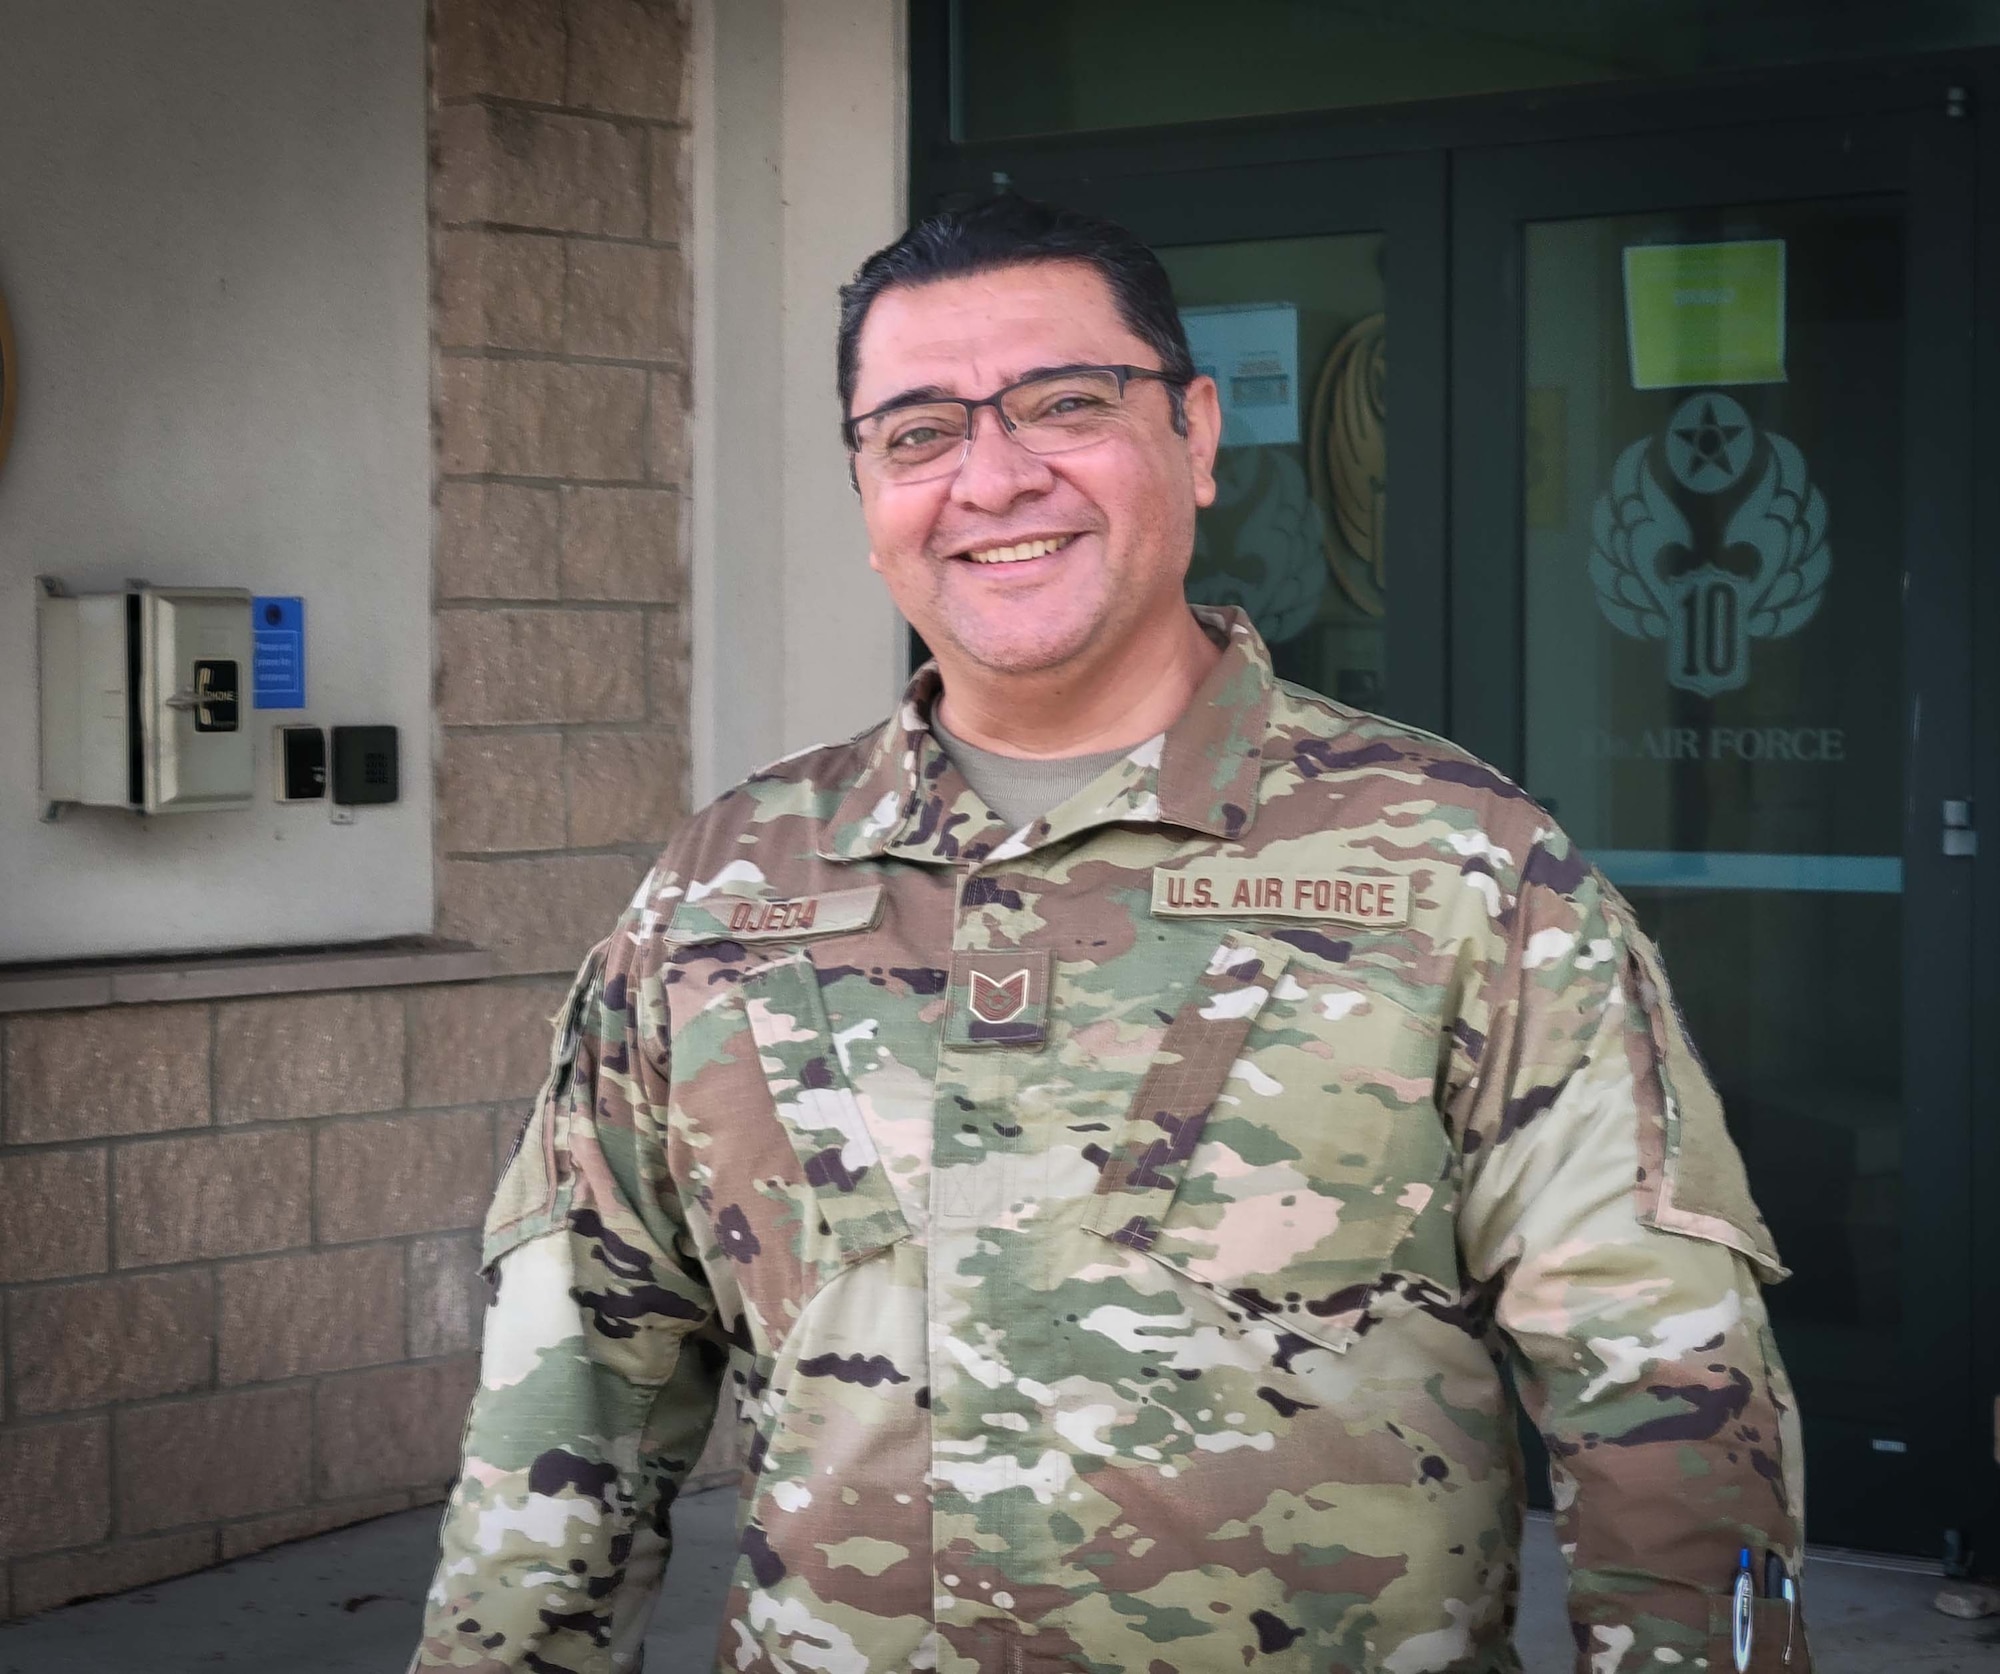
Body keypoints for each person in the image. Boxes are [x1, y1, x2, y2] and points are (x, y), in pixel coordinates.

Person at [411, 195, 1809, 1674]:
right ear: (867, 489)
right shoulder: (723, 884)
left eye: (1065, 404)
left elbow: (1665, 1396)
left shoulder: (1459, 863)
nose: (994, 478)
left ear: (1198, 436)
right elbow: (575, 1387)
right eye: (918, 431)